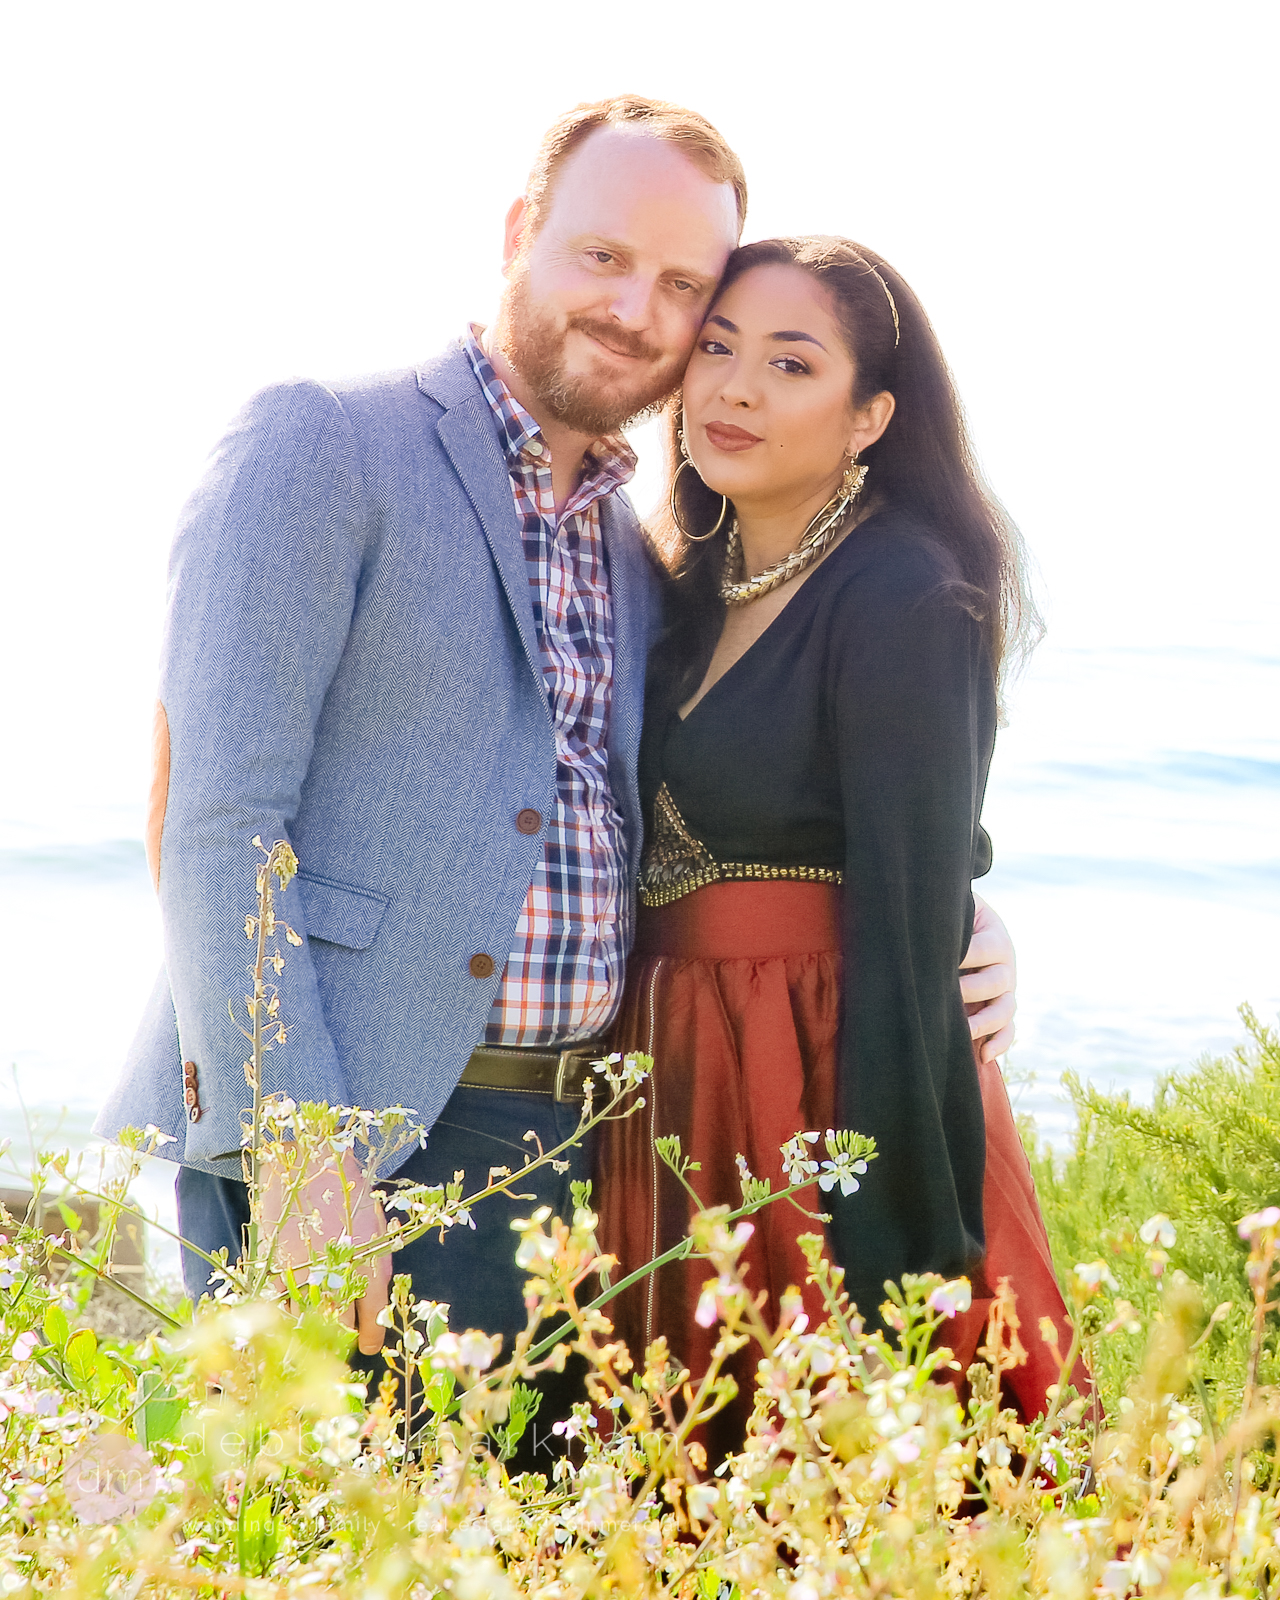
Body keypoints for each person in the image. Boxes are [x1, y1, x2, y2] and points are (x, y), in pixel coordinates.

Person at [93, 98, 1018, 1431]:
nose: (638, 309)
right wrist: (296, 1140)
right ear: (522, 232)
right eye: (603, 257)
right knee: (321, 1539)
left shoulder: (644, 560)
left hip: (589, 1156)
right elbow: (215, 811)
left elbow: (736, 807)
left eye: (682, 288)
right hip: (362, 1133)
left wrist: (965, 918)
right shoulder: (323, 443)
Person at [597, 237, 1085, 1451]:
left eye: (789, 363)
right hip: (673, 1062)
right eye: (715, 349)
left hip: (818, 1067)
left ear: (868, 416)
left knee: (847, 1458)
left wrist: (890, 1237)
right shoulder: (678, 584)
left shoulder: (903, 590)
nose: (734, 388)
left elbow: (919, 898)